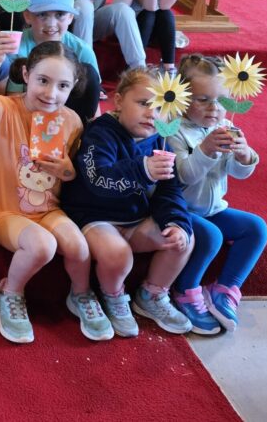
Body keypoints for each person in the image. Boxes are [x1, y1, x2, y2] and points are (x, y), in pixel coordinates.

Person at [0, 39, 113, 344]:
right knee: (43, 246)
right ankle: (9, 293)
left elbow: (70, 175)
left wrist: (67, 170)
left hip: (48, 209)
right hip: (5, 211)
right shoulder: (5, 107)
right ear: (26, 74)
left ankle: (81, 295)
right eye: (43, 81)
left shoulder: (71, 120)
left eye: (62, 86)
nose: (51, 93)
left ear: (73, 88)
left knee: (79, 247)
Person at [61, 67, 194, 337]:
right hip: (95, 217)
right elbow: (97, 178)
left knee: (184, 239)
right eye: (143, 103)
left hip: (135, 220)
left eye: (159, 107)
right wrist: (142, 169)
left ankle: (152, 294)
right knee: (117, 255)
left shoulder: (160, 140)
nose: (152, 114)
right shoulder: (100, 133)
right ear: (119, 101)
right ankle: (114, 296)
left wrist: (175, 222)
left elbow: (169, 190)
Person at [169, 54, 267, 333]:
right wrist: (205, 150)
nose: (214, 108)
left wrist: (245, 156)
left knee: (256, 228)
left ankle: (225, 289)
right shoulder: (174, 131)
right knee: (212, 236)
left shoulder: (224, 128)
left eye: (221, 100)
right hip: (181, 211)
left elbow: (238, 173)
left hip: (212, 209)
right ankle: (184, 289)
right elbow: (185, 176)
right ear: (182, 97)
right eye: (203, 99)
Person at [6, 0, 101, 122]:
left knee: (89, 73)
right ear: (27, 16)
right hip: (27, 118)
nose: (51, 24)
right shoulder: (16, 47)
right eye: (42, 14)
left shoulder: (83, 51)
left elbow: (92, 106)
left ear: (70, 17)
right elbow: (13, 100)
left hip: (70, 121)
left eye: (60, 15)